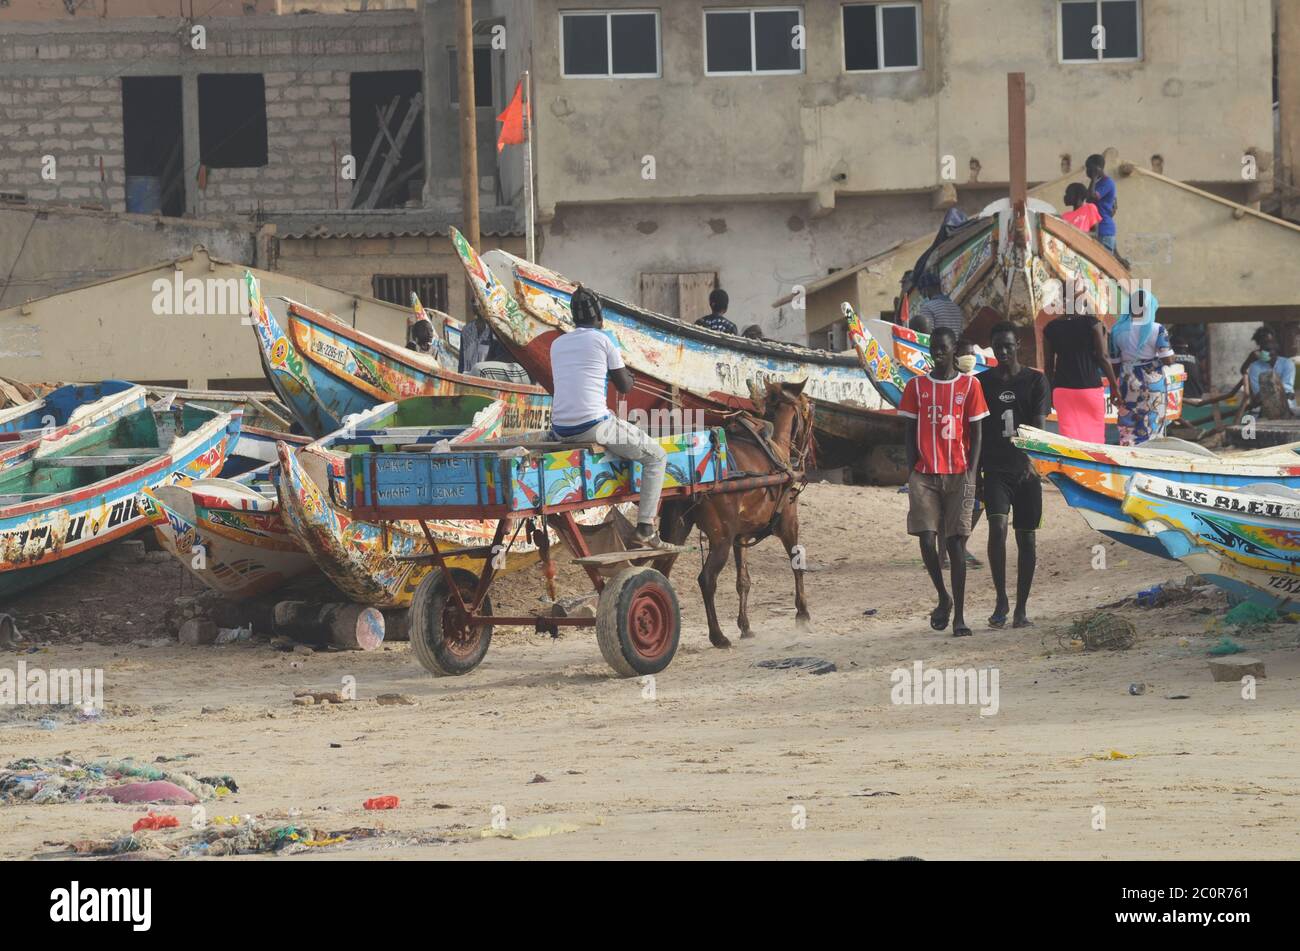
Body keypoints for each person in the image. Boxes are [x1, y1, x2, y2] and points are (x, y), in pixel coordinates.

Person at [550, 287, 671, 549]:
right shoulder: (605, 340)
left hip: (560, 429)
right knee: (657, 456)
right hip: (593, 427)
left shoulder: (557, 344)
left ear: (573, 318)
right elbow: (625, 386)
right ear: (600, 317)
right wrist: (629, 378)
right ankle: (646, 528)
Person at [898, 326, 990, 638]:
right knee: (926, 539)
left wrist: (972, 473)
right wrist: (912, 470)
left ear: (954, 350)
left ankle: (960, 615)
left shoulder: (970, 385)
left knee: (956, 544)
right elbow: (909, 433)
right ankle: (942, 596)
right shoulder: (916, 386)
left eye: (943, 348)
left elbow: (977, 434)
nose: (937, 353)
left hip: (959, 473)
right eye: (933, 348)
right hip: (924, 474)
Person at [977, 322, 1050, 629]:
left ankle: (1021, 608)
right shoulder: (981, 383)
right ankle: (1001, 600)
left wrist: (1034, 462)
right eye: (998, 347)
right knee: (997, 528)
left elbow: (1038, 426)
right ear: (991, 347)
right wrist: (975, 470)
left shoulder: (1035, 380)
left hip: (1027, 471)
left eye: (1008, 345)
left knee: (1027, 539)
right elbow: (976, 429)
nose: (1003, 352)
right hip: (994, 469)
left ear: (1017, 344)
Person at [1042, 290, 1121, 443]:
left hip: (1062, 391)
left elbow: (1048, 365)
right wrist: (1114, 386)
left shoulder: (1050, 328)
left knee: (1069, 439)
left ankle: (1073, 467)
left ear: (1064, 304)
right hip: (1089, 389)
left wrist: (1049, 391)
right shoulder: (1093, 324)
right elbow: (1103, 357)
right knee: (1095, 438)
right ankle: (1093, 466)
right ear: (1084, 305)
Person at [1108, 289, 1174, 446]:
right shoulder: (1157, 329)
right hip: (1152, 383)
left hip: (1127, 381)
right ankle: (1152, 457)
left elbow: (1114, 364)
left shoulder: (1117, 330)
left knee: (1128, 420)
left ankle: (1128, 453)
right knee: (1153, 419)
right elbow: (1168, 360)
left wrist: (1114, 389)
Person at [1239, 325, 1297, 419]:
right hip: (1264, 409)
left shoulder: (1287, 364)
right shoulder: (1255, 367)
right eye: (1265, 345)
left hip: (1287, 407)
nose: (1269, 346)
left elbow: (1287, 388)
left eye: (1271, 342)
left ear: (1276, 345)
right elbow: (1258, 392)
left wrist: (1280, 394)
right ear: (1260, 348)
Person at [913, 270, 964, 336]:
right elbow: (960, 333)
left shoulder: (927, 307)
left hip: (938, 345)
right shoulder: (955, 307)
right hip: (954, 345)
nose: (923, 295)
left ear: (926, 290)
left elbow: (927, 334)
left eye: (922, 293)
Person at [1085, 154, 1118, 254]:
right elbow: (1088, 200)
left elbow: (1091, 196)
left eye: (1089, 168)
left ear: (1097, 168)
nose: (1087, 171)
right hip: (1098, 229)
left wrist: (1093, 178)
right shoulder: (1097, 184)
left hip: (1104, 229)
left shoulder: (1107, 182)